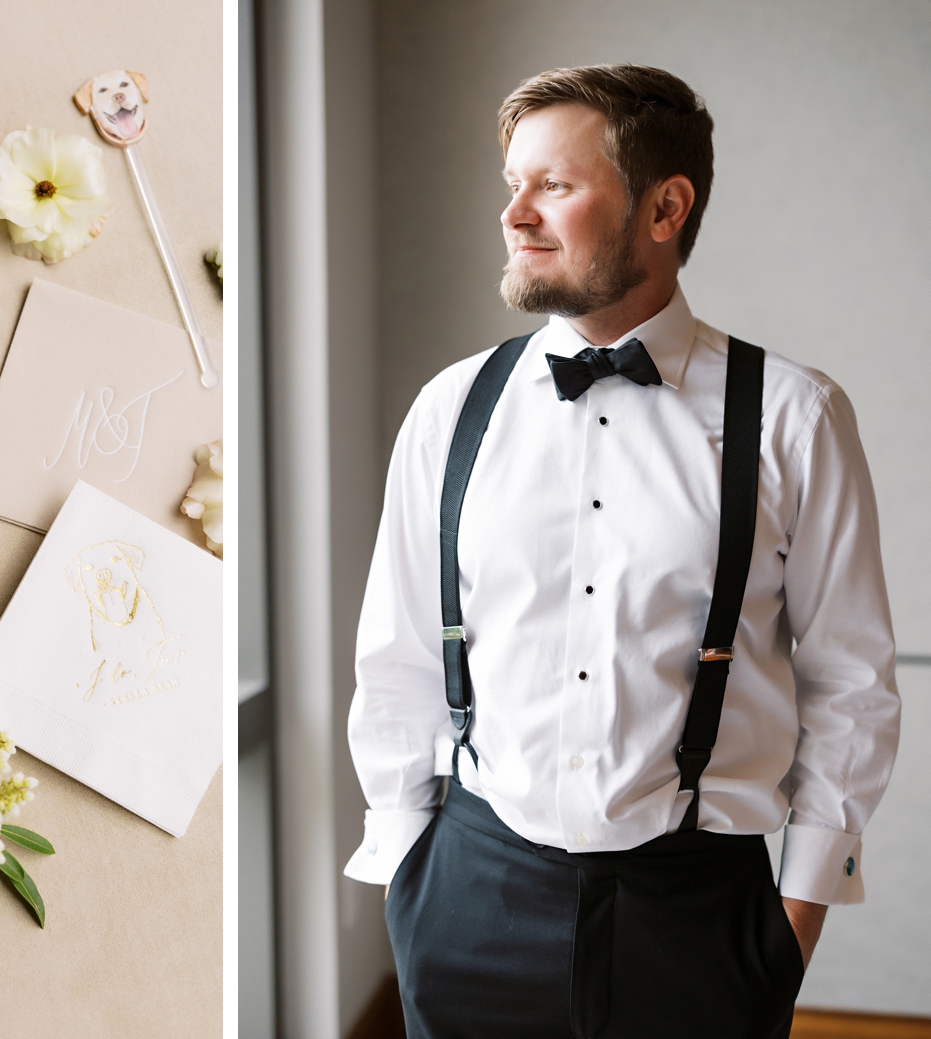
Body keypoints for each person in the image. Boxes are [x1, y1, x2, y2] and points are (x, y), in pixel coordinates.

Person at [344, 64, 900, 1039]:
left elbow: (849, 680)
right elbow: (394, 665)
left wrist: (793, 919)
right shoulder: (450, 408)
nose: (514, 214)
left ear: (663, 207)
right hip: (467, 898)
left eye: (552, 186)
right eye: (509, 185)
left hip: (698, 914)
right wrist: (407, 882)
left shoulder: (791, 416)